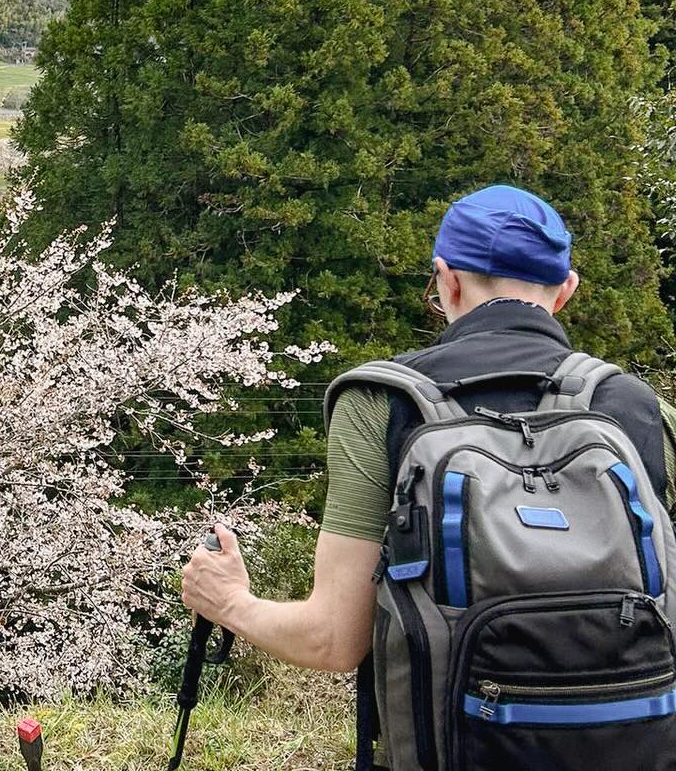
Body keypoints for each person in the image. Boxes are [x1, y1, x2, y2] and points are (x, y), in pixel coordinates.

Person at [179, 185, 676, 767]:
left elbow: (332, 639)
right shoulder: (640, 410)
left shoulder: (381, 402)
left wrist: (229, 602)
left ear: (448, 280)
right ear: (565, 291)